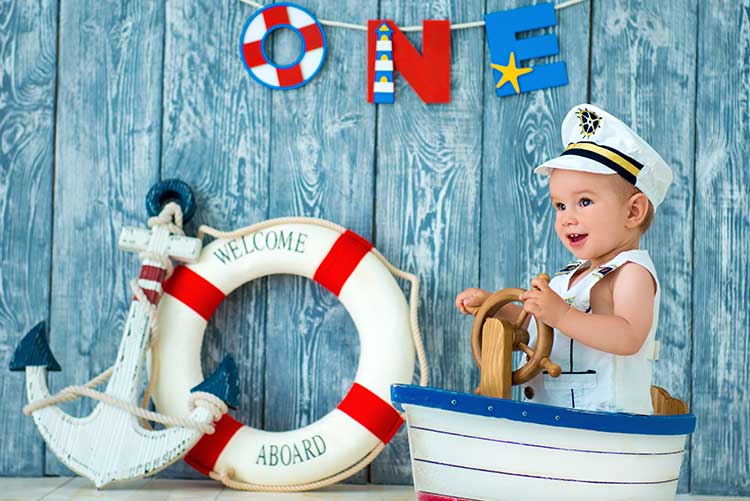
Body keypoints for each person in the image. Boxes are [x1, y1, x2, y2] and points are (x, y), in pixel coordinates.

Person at [455, 104, 673, 415]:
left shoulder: (631, 273)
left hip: (606, 425)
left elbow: (628, 337)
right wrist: (498, 307)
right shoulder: (569, 278)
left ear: (632, 211)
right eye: (559, 206)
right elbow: (539, 331)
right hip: (552, 419)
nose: (567, 218)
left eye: (583, 202)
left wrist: (562, 316)